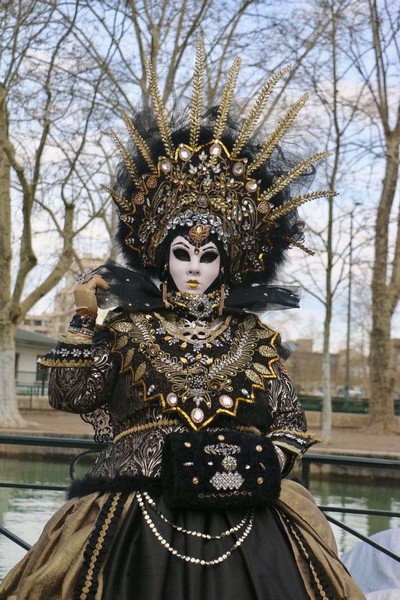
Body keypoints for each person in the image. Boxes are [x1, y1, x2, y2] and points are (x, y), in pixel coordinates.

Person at [0, 43, 365, 600]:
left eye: (208, 256)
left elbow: (291, 424)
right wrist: (83, 317)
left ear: (228, 262)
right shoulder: (125, 328)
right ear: (161, 254)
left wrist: (261, 458)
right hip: (128, 512)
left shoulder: (255, 339)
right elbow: (70, 395)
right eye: (182, 253)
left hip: (249, 512)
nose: (194, 268)